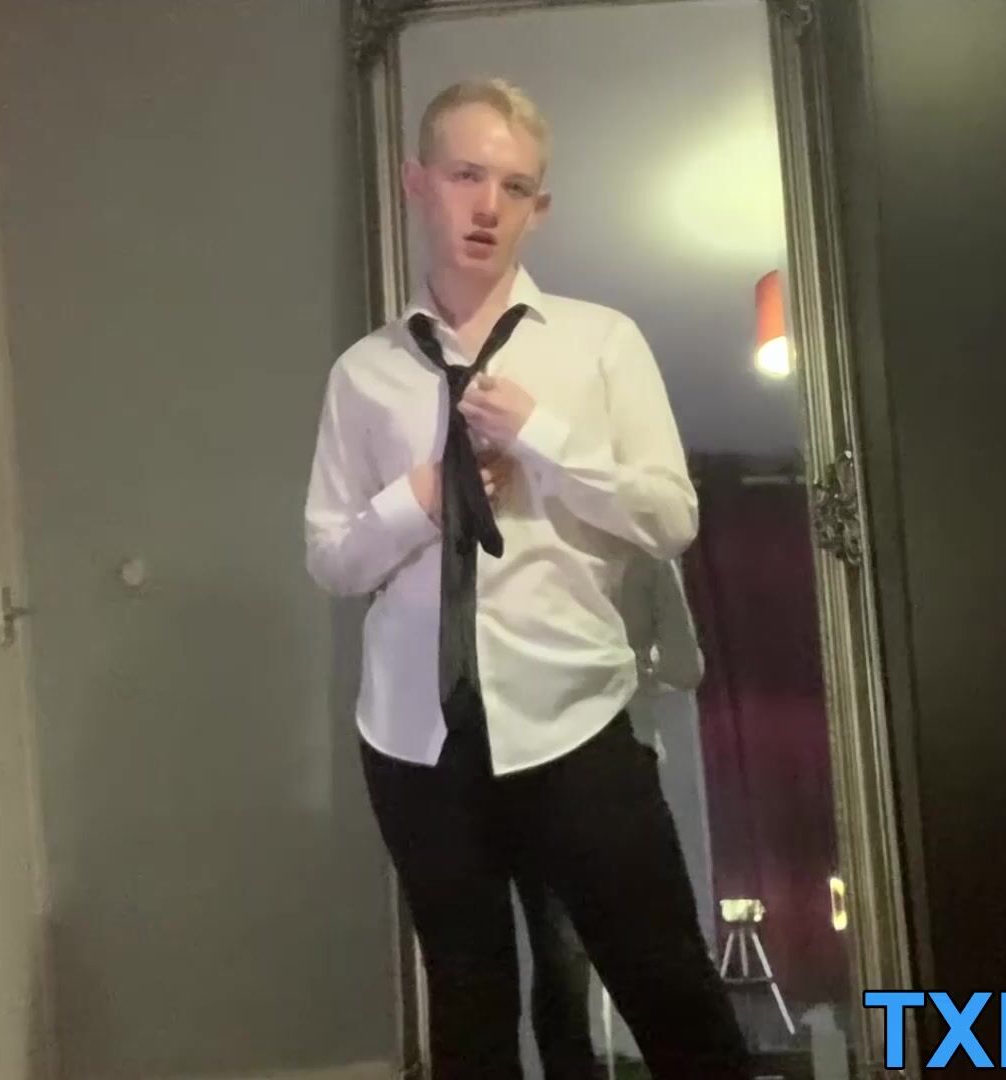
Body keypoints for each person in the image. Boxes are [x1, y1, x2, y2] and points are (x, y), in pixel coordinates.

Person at [303, 77, 751, 1080]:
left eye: (514, 186)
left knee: (669, 990)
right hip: (414, 738)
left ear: (539, 207)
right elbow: (331, 558)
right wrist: (421, 495)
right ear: (418, 183)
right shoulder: (363, 375)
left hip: (575, 723)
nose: (488, 206)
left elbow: (670, 517)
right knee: (468, 1010)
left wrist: (542, 437)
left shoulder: (602, 343)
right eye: (467, 174)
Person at [515, 556, 710, 1079]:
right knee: (664, 943)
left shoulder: (535, 554)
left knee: (559, 955)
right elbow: (686, 667)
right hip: (624, 748)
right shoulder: (645, 551)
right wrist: (635, 667)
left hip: (540, 759)